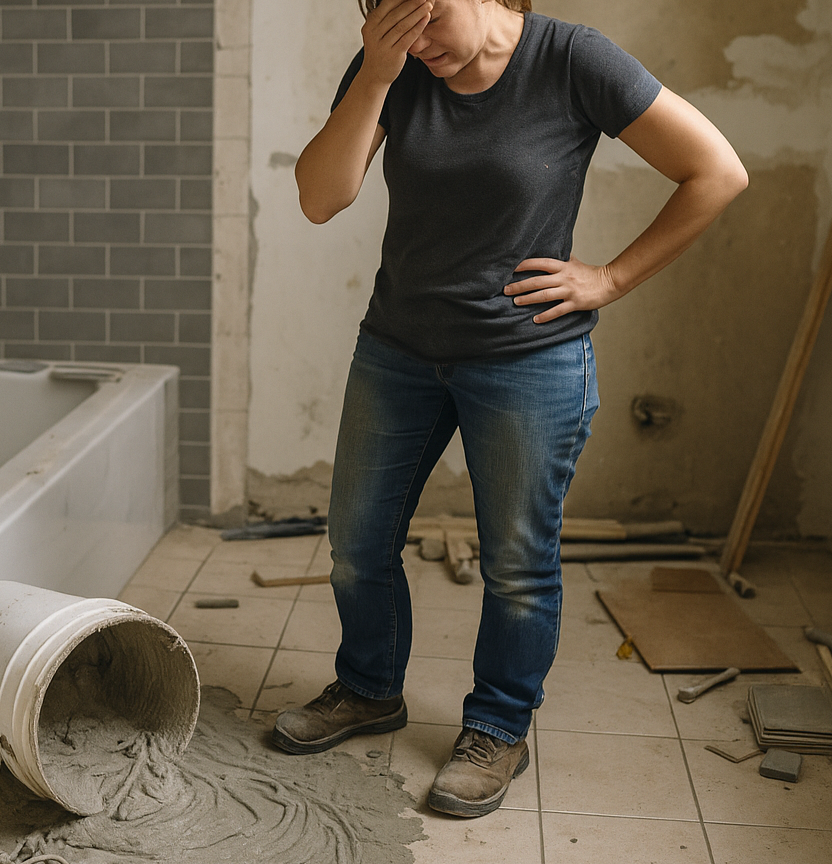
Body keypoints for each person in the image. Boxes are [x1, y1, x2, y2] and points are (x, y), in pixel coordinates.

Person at [269, 0, 748, 818]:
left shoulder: (574, 60)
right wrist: (376, 75)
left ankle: (497, 727)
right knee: (356, 543)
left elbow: (717, 171)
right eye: (394, 22)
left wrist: (610, 278)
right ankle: (369, 687)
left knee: (519, 566)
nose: (418, 41)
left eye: (430, 18)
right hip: (398, 350)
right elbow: (320, 197)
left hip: (529, 360)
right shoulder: (392, 63)